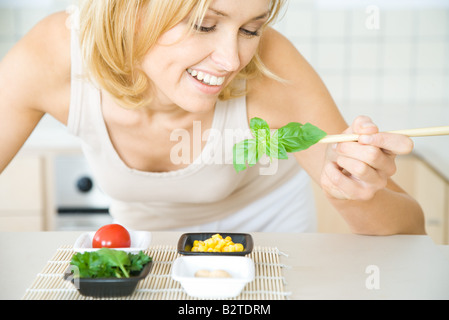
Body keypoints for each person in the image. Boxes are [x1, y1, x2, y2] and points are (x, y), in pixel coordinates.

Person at [0, 0, 425, 234]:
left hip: (268, 227)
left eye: (251, 28)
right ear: (128, 10)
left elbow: (408, 230)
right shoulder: (54, 56)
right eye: (204, 24)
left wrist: (348, 188)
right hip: (151, 238)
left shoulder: (273, 68)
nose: (232, 59)